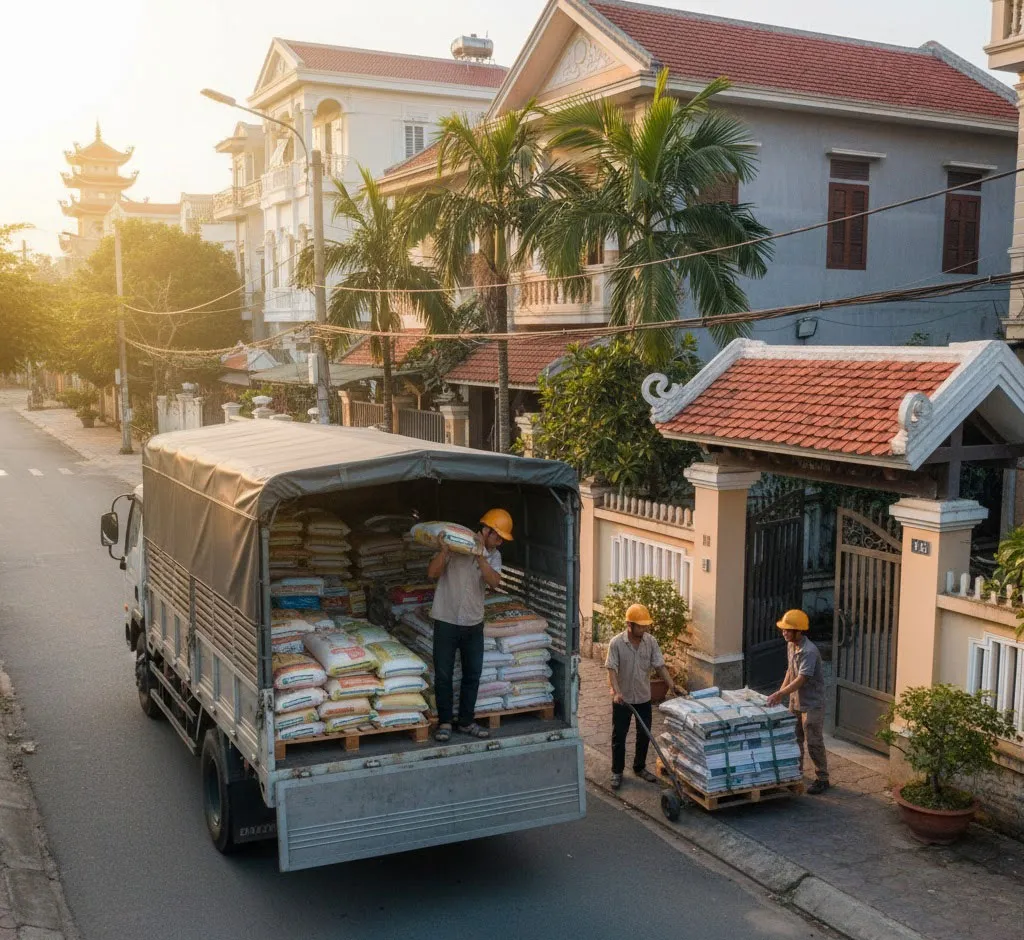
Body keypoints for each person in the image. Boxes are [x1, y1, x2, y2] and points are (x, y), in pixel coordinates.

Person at [427, 509, 512, 743]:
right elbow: (432, 573)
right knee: (443, 674)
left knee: (472, 674)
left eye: (503, 538)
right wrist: (444, 551)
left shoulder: (493, 556)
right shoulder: (456, 544)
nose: (500, 541)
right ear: (486, 530)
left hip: (473, 623)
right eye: (497, 536)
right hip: (446, 619)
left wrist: (480, 556)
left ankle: (466, 721)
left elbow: (494, 582)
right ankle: (445, 722)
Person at [605, 603, 676, 790]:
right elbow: (611, 669)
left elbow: (659, 665)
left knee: (644, 734)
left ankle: (639, 767)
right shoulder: (617, 643)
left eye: (645, 626)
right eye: (640, 626)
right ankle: (617, 771)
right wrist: (617, 692)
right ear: (630, 625)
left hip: (644, 697)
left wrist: (672, 685)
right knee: (619, 736)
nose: (644, 629)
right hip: (623, 699)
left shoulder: (650, 642)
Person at [767, 609, 830, 794]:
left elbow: (802, 678)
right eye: (783, 629)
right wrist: (781, 692)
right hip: (795, 701)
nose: (784, 632)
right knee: (795, 738)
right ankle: (797, 772)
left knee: (813, 741)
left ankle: (823, 778)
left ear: (798, 631)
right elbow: (790, 671)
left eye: (787, 630)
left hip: (812, 703)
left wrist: (780, 694)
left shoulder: (809, 651)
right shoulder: (791, 645)